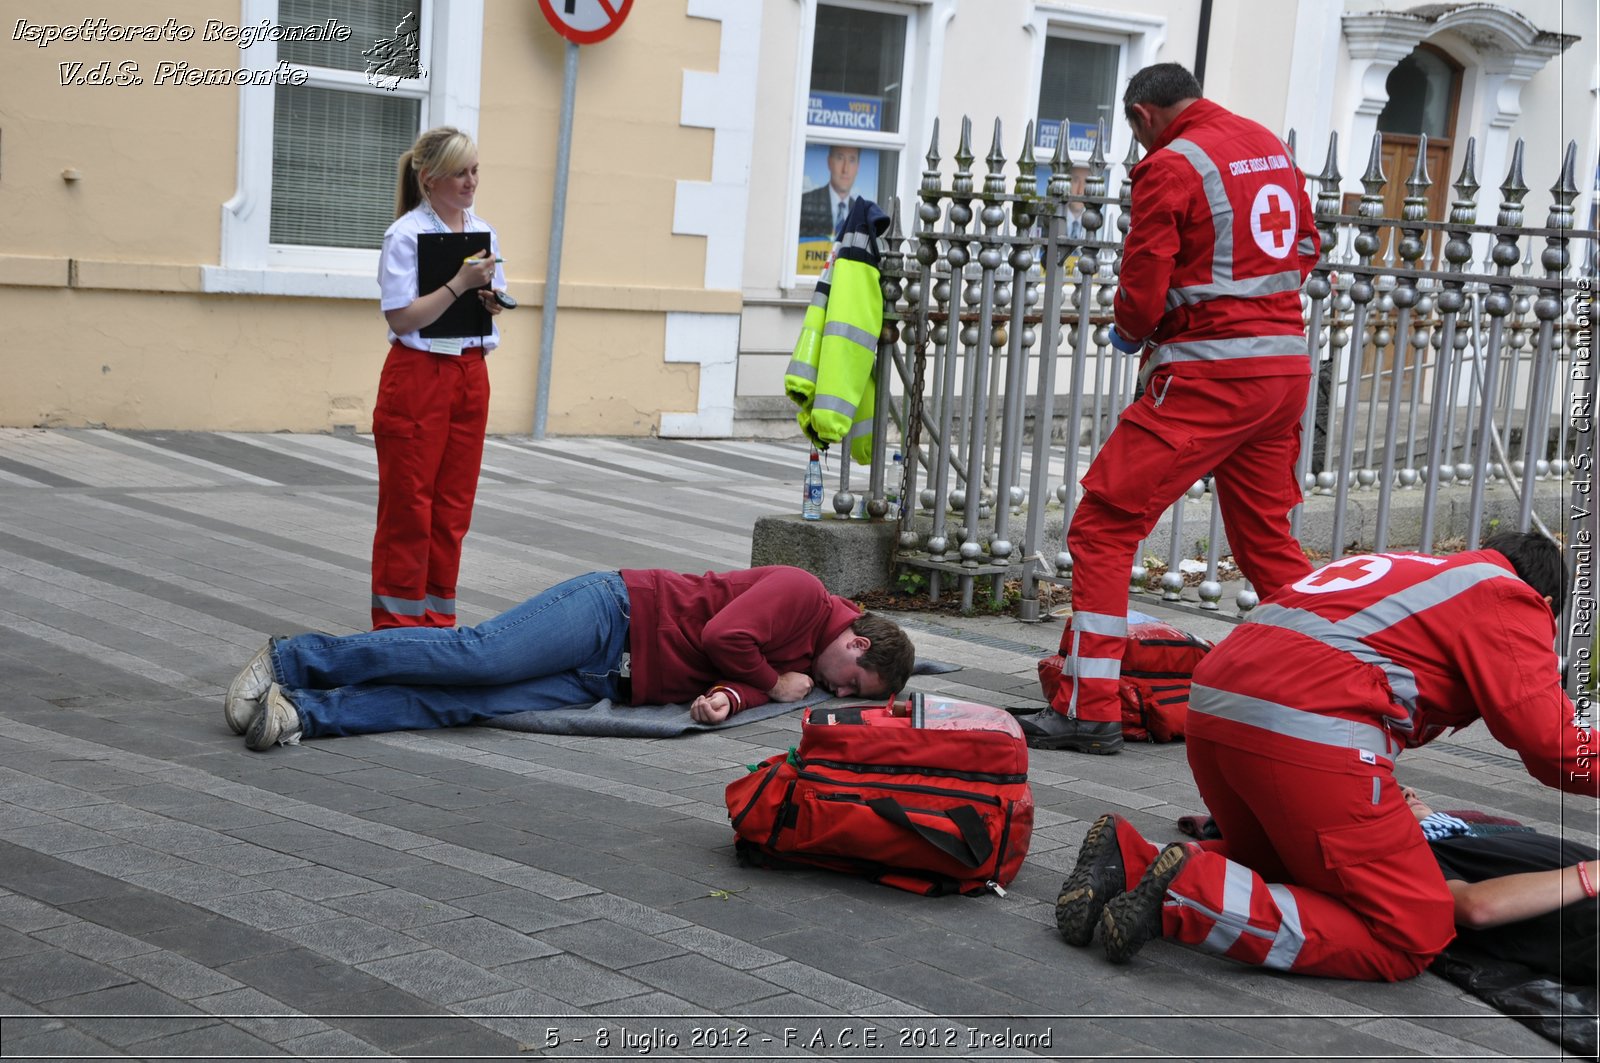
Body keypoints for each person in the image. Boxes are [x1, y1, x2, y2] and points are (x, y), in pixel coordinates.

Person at [1052, 531, 1595, 980]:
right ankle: (1188, 896)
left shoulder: (1415, 568)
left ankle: (1130, 862)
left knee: (1289, 869)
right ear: (1547, 606)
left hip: (1214, 710)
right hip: (1305, 730)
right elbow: (1554, 745)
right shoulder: (1509, 598)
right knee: (1414, 933)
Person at [1017, 63, 1320, 753]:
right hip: (1284, 371)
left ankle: (1089, 707)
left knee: (1102, 527)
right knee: (1270, 546)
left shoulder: (1172, 165)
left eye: (1137, 135)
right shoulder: (1267, 145)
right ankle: (1339, 679)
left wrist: (1130, 332)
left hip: (1209, 376)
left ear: (1142, 115)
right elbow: (1306, 248)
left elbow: (1144, 282)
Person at [222, 565, 916, 752]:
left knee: (463, 702)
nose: (836, 690)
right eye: (849, 681)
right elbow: (724, 638)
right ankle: (292, 659)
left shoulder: (808, 658)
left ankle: (304, 716)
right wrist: (771, 680)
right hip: (609, 614)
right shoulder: (801, 594)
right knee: (477, 657)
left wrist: (729, 700)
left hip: (604, 679)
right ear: (855, 641)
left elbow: (740, 678)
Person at [372, 126, 509, 630]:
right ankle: (397, 630)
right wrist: (460, 283)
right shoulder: (406, 235)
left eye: (475, 170)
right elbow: (402, 318)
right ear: (430, 179)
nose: (471, 181)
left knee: (453, 507)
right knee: (410, 505)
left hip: (470, 371)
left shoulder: (483, 231)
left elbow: (488, 301)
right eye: (460, 172)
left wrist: (491, 301)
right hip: (419, 376)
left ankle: (437, 623)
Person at [1405, 788, 1597, 984]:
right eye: (1390, 792)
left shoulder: (1484, 833)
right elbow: (1474, 906)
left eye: (1407, 789)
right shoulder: (1417, 852)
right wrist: (1587, 875)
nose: (1409, 792)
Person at [799, 144, 862, 240]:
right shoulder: (804, 202)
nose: (845, 169)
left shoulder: (861, 213)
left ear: (858, 167)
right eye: (840, 158)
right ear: (829, 162)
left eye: (852, 160)